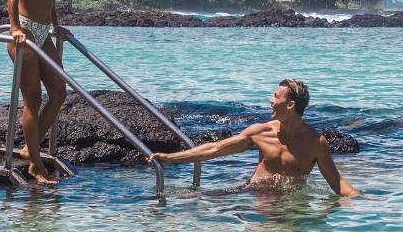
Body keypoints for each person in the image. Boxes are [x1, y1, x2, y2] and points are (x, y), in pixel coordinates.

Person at [149, 79, 361, 196]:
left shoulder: (315, 143)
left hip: (290, 205)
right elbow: (216, 149)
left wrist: (367, 205)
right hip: (251, 193)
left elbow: (337, 182)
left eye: (275, 96)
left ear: (290, 105)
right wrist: (172, 158)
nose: (270, 100)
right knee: (192, 200)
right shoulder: (261, 132)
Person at [5, 0, 77, 184]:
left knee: (59, 92)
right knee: (32, 99)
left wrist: (56, 26)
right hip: (23, 31)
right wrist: (14, 27)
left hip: (44, 32)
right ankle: (36, 166)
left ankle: (30, 147)